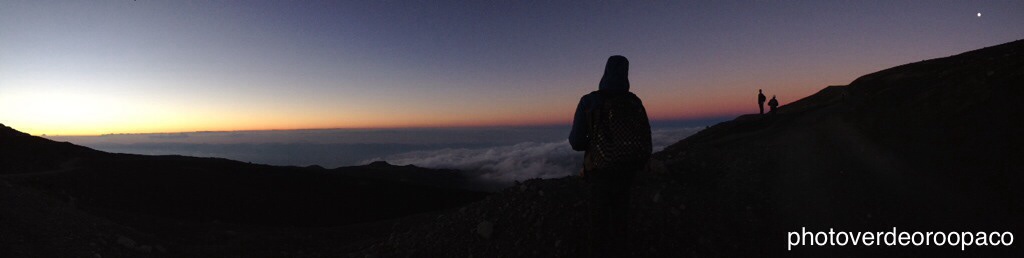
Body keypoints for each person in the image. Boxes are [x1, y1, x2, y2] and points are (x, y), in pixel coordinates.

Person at [569, 55, 652, 257]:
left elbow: (576, 142)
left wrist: (598, 143)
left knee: (598, 223)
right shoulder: (634, 102)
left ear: (605, 72)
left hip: (599, 171)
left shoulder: (589, 101)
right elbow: (645, 138)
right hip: (628, 169)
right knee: (620, 218)